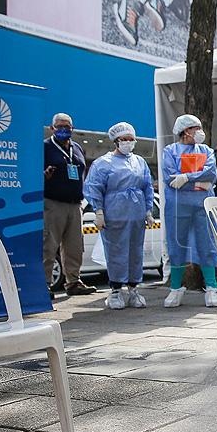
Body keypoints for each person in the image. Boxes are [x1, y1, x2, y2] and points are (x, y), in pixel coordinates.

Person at [83, 122, 154, 309]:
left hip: (136, 215)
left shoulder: (139, 161)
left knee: (135, 252)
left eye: (131, 139)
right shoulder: (103, 163)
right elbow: (94, 188)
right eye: (125, 140)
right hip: (115, 214)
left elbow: (147, 186)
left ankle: (133, 289)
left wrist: (147, 210)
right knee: (116, 253)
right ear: (116, 141)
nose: (129, 143)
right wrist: (98, 211)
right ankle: (115, 291)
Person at [162, 114, 217, 308]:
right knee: (177, 244)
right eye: (196, 128)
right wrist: (198, 182)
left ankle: (212, 287)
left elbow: (211, 174)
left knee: (207, 243)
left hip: (202, 206)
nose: (200, 132)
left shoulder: (206, 150)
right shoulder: (170, 151)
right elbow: (170, 178)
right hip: (178, 206)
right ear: (186, 131)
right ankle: (176, 288)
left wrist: (186, 178)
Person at [43, 113, 97, 297]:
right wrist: (45, 175)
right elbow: (34, 174)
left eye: (67, 127)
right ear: (52, 128)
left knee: (74, 246)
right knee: (49, 245)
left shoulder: (78, 148)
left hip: (75, 204)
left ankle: (73, 282)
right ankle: (44, 284)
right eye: (59, 126)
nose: (63, 130)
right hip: (53, 203)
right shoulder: (45, 147)